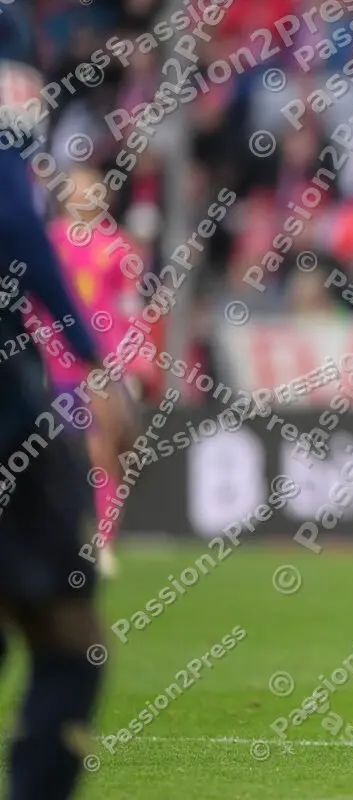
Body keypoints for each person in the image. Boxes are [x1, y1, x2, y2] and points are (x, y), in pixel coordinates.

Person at [0, 4, 139, 798]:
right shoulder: (11, 34)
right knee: (68, 640)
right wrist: (95, 362)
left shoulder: (113, 248)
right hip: (17, 385)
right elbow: (15, 219)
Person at [44, 169, 146, 579]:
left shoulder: (119, 247)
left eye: (94, 187)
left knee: (104, 453)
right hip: (55, 363)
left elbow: (132, 311)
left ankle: (103, 541)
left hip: (103, 366)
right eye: (79, 186)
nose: (87, 194)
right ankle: (61, 538)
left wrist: (134, 365)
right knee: (58, 456)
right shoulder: (49, 241)